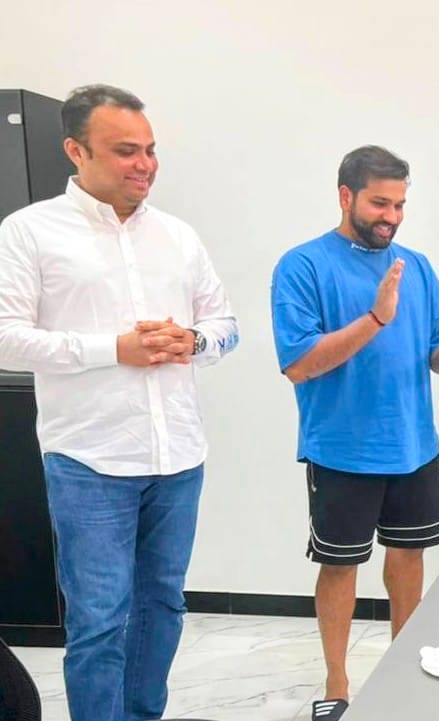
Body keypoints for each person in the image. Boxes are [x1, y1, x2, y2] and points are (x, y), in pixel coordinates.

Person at [0, 84, 239, 721]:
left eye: (151, 150)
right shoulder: (29, 232)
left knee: (163, 608)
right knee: (100, 622)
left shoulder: (178, 236)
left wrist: (191, 339)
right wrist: (114, 348)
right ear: (76, 151)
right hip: (89, 460)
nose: (145, 164)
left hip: (179, 455)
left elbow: (227, 326)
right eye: (126, 150)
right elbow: (7, 336)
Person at [270, 145, 439, 720]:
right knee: (340, 565)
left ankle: (402, 670)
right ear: (346, 197)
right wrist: (376, 318)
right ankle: (337, 683)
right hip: (340, 451)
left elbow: (435, 350)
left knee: (408, 557)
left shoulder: (417, 266)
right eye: (380, 203)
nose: (392, 215)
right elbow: (299, 363)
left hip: (414, 445)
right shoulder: (303, 266)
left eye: (400, 204)